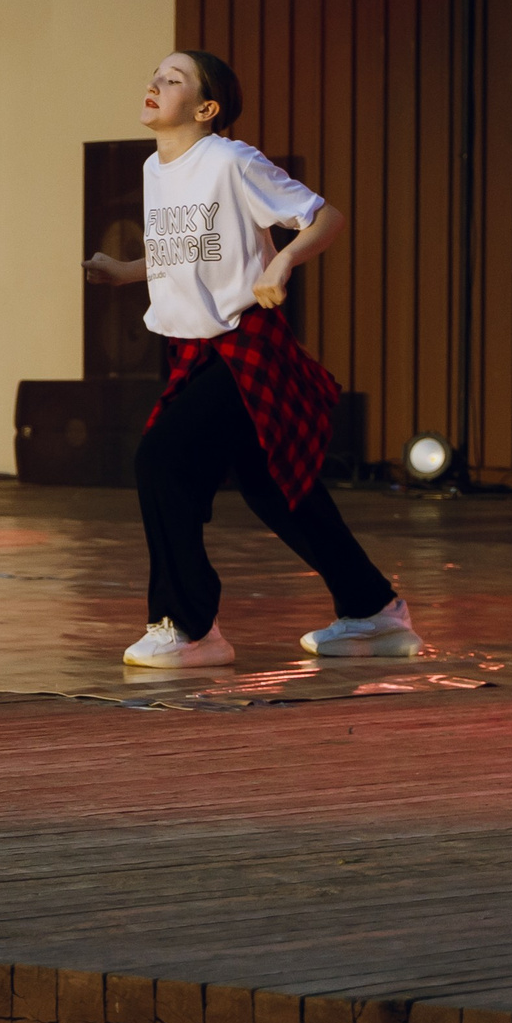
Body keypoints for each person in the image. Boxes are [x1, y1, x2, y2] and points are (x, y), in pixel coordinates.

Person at [82, 50, 419, 668]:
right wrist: (125, 273)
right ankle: (374, 610)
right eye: (155, 74)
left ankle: (189, 627)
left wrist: (283, 260)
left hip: (245, 344)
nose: (154, 83)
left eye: (173, 79)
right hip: (193, 353)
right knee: (275, 488)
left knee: (160, 460)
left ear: (206, 109)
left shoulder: (232, 161)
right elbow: (180, 250)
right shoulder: (155, 168)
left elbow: (326, 216)